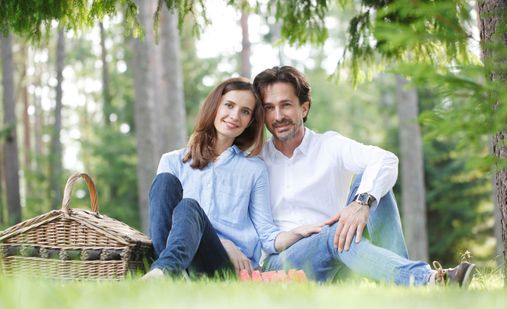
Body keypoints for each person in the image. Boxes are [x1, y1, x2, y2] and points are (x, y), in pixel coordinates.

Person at [253, 66, 476, 287]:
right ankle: (424, 279)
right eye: (269, 108)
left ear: (304, 108)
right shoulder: (257, 161)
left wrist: (363, 203)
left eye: (286, 105)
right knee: (335, 234)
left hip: (341, 255)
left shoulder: (329, 145)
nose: (278, 116)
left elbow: (386, 159)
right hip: (284, 263)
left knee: (372, 182)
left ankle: (400, 284)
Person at [143, 77, 323, 279]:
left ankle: (162, 274)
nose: (235, 116)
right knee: (164, 183)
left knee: (188, 207)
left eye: (245, 111)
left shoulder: (254, 169)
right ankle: (166, 273)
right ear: (215, 107)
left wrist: (298, 233)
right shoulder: (173, 161)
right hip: (183, 259)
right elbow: (163, 224)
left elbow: (267, 235)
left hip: (225, 265)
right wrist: (223, 241)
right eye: (229, 105)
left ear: (250, 122)